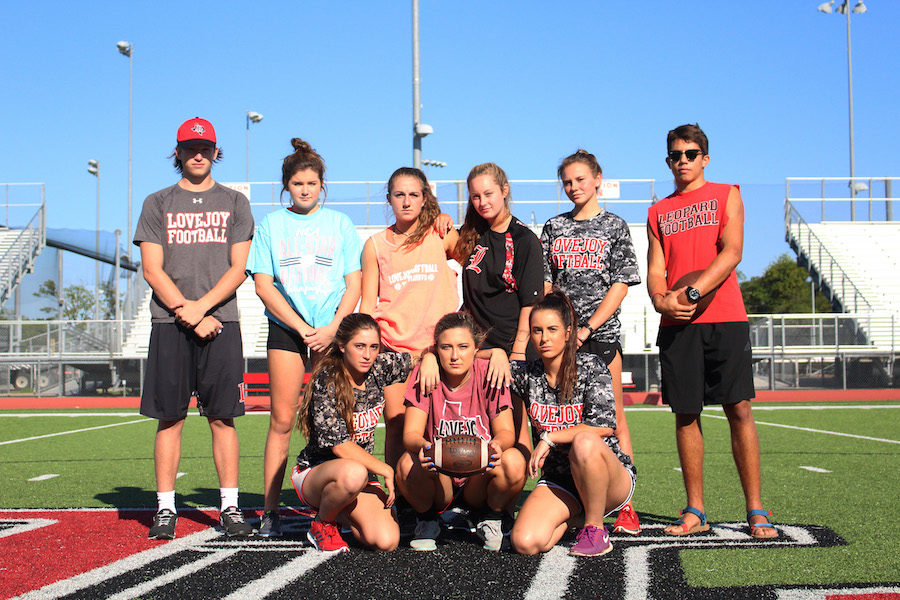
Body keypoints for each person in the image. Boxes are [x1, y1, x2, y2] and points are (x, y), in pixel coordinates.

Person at [646, 123, 777, 539]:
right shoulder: (657, 210)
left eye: (689, 153)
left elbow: (733, 251)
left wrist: (693, 291)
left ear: (705, 157)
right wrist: (660, 299)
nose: (681, 161)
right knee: (686, 414)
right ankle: (695, 509)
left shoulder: (727, 194)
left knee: (738, 408)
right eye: (674, 155)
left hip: (725, 317)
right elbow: (654, 268)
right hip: (677, 325)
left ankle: (755, 508)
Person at [134, 117, 254, 540]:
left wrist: (204, 310)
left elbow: (239, 269)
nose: (198, 154)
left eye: (205, 147)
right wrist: (188, 314)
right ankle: (166, 508)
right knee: (169, 419)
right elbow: (152, 269)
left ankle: (230, 506)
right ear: (178, 152)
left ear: (216, 151)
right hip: (170, 323)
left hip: (221, 323)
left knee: (223, 418)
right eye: (190, 147)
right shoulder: (157, 202)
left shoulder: (236, 203)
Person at [246, 137, 362, 538]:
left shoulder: (340, 224)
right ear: (286, 186)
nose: (305, 190)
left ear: (322, 184)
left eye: (312, 183)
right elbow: (263, 285)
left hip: (330, 331)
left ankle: (335, 500)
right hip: (288, 331)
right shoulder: (272, 226)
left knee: (331, 421)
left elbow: (354, 282)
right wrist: (301, 327)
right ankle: (270, 511)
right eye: (298, 184)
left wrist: (331, 329)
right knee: (281, 419)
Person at [541, 149, 642, 535]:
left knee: (613, 419)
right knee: (565, 419)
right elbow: (549, 286)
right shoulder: (553, 227)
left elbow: (621, 284)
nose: (573, 187)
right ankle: (572, 494)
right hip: (561, 342)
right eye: (567, 182)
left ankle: (626, 503)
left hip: (599, 339)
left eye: (580, 179)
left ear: (597, 179)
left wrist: (588, 328)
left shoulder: (614, 225)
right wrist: (557, 330)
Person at [509, 291, 636, 557]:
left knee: (585, 441)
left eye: (553, 329)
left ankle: (595, 528)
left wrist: (550, 437)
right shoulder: (527, 375)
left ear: (568, 333)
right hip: (561, 481)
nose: (544, 338)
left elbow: (604, 425)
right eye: (538, 330)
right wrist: (498, 354)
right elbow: (472, 362)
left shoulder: (591, 366)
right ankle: (575, 519)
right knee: (525, 542)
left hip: (606, 476)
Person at [395, 312, 526, 552]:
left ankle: (488, 515)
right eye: (446, 347)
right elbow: (410, 434)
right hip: (440, 474)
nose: (455, 356)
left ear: (476, 348)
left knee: (515, 461)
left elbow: (506, 431)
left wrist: (495, 446)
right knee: (406, 464)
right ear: (436, 349)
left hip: (480, 474)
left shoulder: (489, 371)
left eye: (463, 346)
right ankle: (428, 519)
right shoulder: (425, 373)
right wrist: (425, 448)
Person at [360, 167, 459, 471]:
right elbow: (367, 304)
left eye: (413, 194)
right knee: (397, 425)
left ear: (424, 198)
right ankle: (396, 494)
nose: (406, 201)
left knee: (439, 427)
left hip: (440, 350)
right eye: (399, 195)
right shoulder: (375, 244)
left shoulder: (441, 234)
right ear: (388, 199)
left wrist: (447, 218)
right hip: (395, 350)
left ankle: (444, 497)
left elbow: (479, 268)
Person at [290, 314, 409, 553]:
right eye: (360, 346)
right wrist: (385, 468)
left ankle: (342, 512)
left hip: (360, 477)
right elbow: (340, 447)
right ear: (342, 346)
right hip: (318, 472)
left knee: (387, 541)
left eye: (374, 347)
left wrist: (427, 361)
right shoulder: (328, 379)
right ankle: (322, 523)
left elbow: (423, 358)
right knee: (353, 472)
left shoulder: (379, 367)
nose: (367, 354)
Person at [455, 162, 544, 364]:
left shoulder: (523, 239)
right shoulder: (471, 234)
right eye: (476, 196)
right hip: (477, 351)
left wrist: (519, 351)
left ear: (504, 190)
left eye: (488, 194)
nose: (482, 202)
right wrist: (440, 218)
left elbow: (530, 302)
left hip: (510, 351)